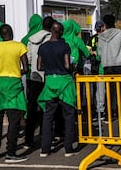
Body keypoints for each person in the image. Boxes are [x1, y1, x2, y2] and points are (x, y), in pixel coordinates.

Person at [0, 24, 28, 163]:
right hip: (14, 84)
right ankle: (11, 152)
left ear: (1, 35)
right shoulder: (19, 46)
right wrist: (16, 72)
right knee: (14, 121)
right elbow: (26, 68)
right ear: (11, 33)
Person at [37, 21, 78, 157]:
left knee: (48, 116)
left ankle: (45, 149)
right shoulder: (64, 46)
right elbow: (67, 65)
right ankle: (68, 148)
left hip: (49, 82)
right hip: (64, 82)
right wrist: (73, 67)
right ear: (60, 32)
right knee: (69, 115)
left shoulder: (43, 47)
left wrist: (50, 67)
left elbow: (39, 66)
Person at [23, 16, 54, 149]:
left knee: (31, 107)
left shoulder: (29, 39)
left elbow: (28, 59)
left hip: (34, 77)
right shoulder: (51, 38)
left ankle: (28, 140)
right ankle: (45, 136)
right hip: (47, 77)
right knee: (47, 107)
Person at [98, 14, 121, 122]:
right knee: (120, 90)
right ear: (114, 21)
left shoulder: (101, 36)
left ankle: (108, 115)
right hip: (119, 64)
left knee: (109, 90)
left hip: (107, 65)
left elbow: (99, 52)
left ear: (104, 24)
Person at [86, 20, 106, 120]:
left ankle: (96, 109)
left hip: (93, 66)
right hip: (103, 66)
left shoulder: (92, 38)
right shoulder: (105, 38)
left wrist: (92, 53)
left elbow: (88, 50)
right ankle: (101, 111)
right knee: (101, 89)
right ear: (102, 27)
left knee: (96, 89)